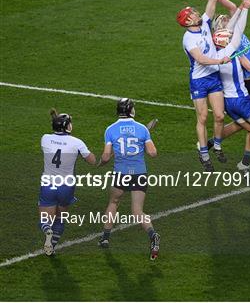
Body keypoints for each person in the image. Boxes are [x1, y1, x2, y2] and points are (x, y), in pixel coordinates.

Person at [201, 0, 250, 174]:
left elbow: (235, 22)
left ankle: (247, 160)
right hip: (242, 96)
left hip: (227, 103)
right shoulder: (233, 49)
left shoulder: (213, 54)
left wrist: (242, 8)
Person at [177, 0, 230, 171]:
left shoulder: (206, 23)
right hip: (199, 79)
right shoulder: (188, 39)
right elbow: (201, 59)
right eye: (193, 14)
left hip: (213, 77)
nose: (198, 13)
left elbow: (213, 1)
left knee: (219, 115)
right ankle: (204, 153)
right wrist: (220, 61)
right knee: (203, 117)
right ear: (188, 21)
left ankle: (216, 145)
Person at [98, 98, 161, 260]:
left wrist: (102, 162)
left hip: (121, 174)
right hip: (139, 174)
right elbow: (153, 153)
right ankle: (153, 235)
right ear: (131, 110)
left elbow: (106, 156)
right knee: (137, 211)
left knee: (113, 203)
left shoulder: (110, 129)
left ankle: (105, 238)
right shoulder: (142, 129)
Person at [39, 109, 97, 256]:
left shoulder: (44, 138)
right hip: (67, 186)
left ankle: (47, 230)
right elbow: (92, 161)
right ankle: (51, 247)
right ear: (67, 126)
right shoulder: (77, 143)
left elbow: (56, 138)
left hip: (48, 184)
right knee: (60, 218)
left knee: (45, 219)